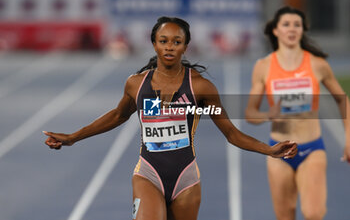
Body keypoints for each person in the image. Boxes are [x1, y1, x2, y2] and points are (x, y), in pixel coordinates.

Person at [44, 16, 297, 220]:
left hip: (186, 178)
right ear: (154, 43)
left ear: (185, 46)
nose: (169, 47)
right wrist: (73, 137)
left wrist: (270, 150)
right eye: (163, 41)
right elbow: (118, 115)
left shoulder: (201, 88)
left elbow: (231, 134)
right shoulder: (136, 84)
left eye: (176, 42)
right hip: (148, 173)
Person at [245, 6, 350, 220]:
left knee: (313, 213)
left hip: (312, 149)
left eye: (297, 24)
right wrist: (268, 115)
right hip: (278, 151)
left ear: (303, 30)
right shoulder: (263, 66)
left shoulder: (317, 64)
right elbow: (250, 113)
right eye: (286, 24)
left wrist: (349, 138)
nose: (292, 29)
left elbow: (342, 99)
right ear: (276, 30)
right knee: (285, 216)